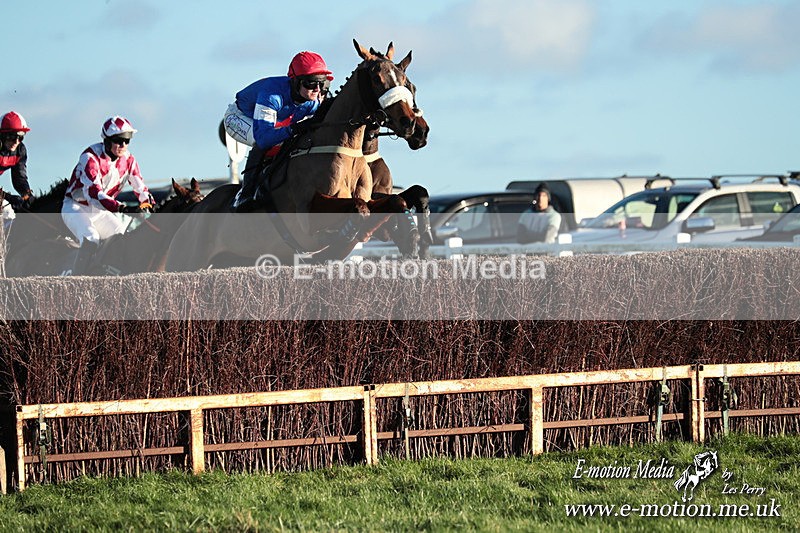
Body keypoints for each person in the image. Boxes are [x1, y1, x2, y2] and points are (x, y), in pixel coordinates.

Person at [224, 51, 334, 211]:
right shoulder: (272, 95)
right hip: (239, 117)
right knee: (262, 142)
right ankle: (245, 195)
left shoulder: (311, 101)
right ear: (296, 81)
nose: (317, 89)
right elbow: (264, 138)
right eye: (311, 83)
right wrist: (294, 128)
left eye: (323, 84)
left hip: (277, 120)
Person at [61, 116, 154, 275]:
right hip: (76, 208)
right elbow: (95, 195)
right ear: (107, 140)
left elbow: (141, 188)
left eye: (127, 140)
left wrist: (148, 205)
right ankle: (76, 283)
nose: (123, 145)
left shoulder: (129, 160)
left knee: (121, 237)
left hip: (100, 212)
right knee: (91, 239)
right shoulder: (89, 158)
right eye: (118, 140)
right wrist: (122, 208)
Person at [0, 111, 35, 230]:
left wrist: (27, 195)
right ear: (2, 136)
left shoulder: (20, 150)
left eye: (20, 137)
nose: (16, 142)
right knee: (6, 209)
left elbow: (19, 177)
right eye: (12, 136)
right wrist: (7, 197)